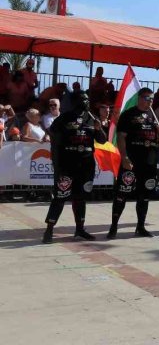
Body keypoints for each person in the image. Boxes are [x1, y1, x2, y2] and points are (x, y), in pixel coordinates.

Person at [41, 91, 107, 243]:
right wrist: (57, 162)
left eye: (88, 99)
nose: (86, 102)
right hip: (67, 164)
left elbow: (102, 140)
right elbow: (53, 136)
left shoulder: (92, 118)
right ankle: (49, 229)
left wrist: (98, 128)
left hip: (86, 164)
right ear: (76, 101)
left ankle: (80, 229)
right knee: (60, 196)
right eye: (83, 99)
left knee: (81, 197)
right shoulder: (64, 117)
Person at [108, 87, 159, 239]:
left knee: (144, 195)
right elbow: (121, 137)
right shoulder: (128, 115)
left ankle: (140, 227)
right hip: (132, 161)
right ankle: (113, 226)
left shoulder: (156, 117)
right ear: (140, 98)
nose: (150, 101)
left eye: (152, 99)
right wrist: (125, 157)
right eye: (148, 98)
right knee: (122, 193)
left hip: (149, 162)